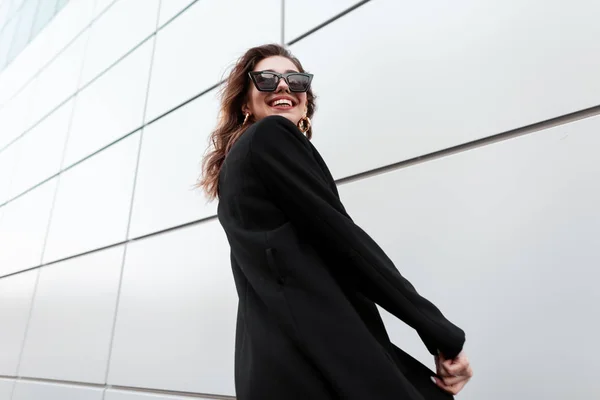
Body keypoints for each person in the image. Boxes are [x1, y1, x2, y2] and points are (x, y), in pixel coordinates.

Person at [199, 44, 473, 400]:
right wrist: (440, 334)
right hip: (318, 356)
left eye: (295, 79)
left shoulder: (237, 166)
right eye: (266, 79)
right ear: (245, 102)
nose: (283, 86)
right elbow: (346, 243)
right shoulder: (270, 138)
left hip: (274, 364)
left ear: (306, 101)